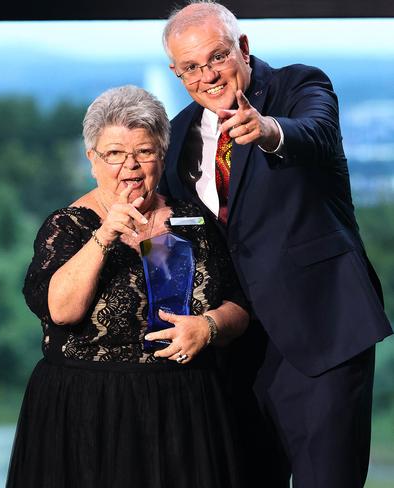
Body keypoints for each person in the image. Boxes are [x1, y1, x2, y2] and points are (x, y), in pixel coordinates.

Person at [159, 2, 393, 487]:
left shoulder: (299, 85)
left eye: (217, 56)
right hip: (234, 350)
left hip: (322, 335)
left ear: (243, 48)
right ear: (176, 72)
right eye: (190, 67)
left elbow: (317, 132)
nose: (207, 75)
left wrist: (268, 130)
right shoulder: (177, 133)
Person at [6, 85, 249, 488]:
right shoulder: (67, 226)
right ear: (93, 160)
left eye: (145, 152)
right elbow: (62, 311)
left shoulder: (194, 220)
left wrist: (208, 327)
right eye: (115, 154)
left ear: (162, 156)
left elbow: (240, 305)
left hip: (183, 411)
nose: (131, 166)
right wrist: (104, 236)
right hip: (86, 413)